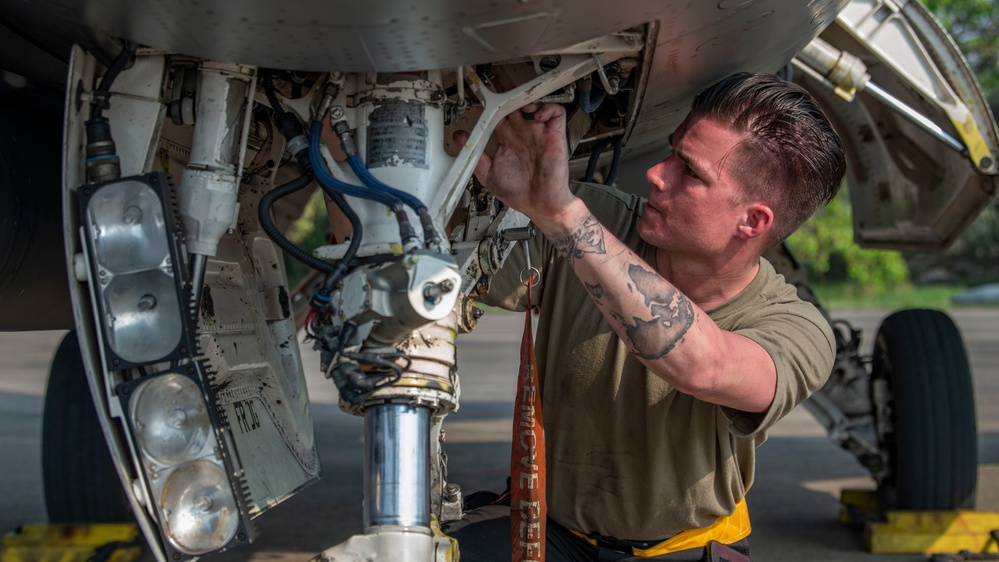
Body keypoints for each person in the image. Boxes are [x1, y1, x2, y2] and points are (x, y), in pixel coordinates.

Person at [443, 72, 847, 561]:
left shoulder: (796, 328)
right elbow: (437, 255)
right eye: (672, 151)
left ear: (752, 221)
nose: (657, 173)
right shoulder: (602, 220)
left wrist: (563, 216)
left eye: (690, 172)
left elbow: (705, 366)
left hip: (683, 550)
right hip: (551, 533)